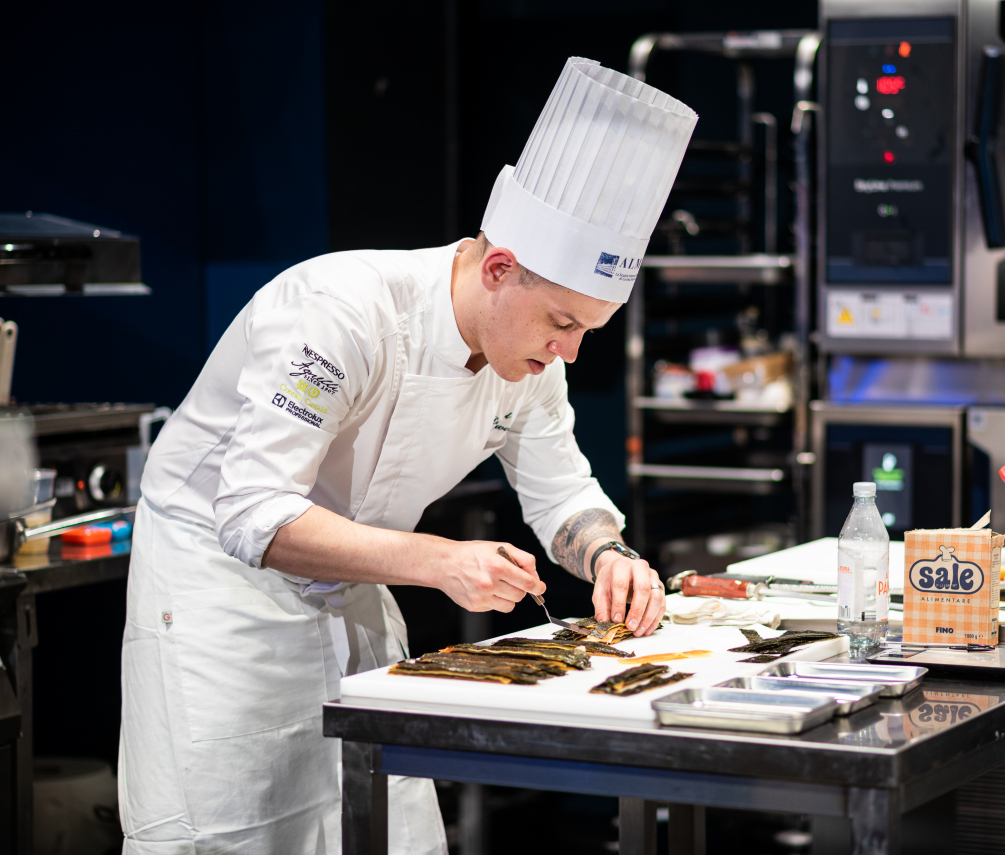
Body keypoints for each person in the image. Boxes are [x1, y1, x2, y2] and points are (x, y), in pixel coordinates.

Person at [118, 57, 697, 854]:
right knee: (232, 832)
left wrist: (608, 553)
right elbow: (254, 514)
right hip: (221, 601)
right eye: (562, 321)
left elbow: (563, 489)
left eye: (586, 332)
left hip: (350, 585)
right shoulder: (340, 311)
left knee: (385, 831)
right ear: (499, 269)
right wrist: (439, 560)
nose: (569, 350)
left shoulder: (525, 356)